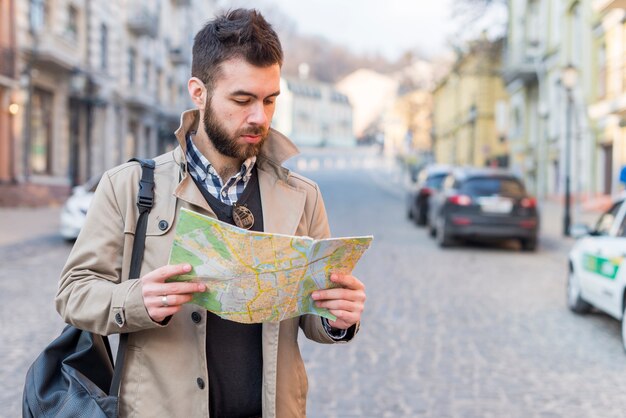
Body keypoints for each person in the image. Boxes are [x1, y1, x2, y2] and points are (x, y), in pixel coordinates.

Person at [55, 8, 366, 418]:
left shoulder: (303, 196)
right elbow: (73, 293)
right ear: (198, 92)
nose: (260, 117)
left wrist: (336, 316)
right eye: (242, 99)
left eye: (270, 100)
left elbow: (311, 318)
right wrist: (138, 300)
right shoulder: (129, 186)